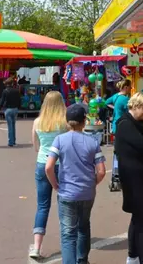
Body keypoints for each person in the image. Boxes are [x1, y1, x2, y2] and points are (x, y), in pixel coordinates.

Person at [45, 104, 106, 264]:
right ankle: (82, 260)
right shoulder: (92, 142)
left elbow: (48, 166)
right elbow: (101, 171)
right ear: (84, 121)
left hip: (67, 192)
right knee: (84, 227)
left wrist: (55, 184)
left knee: (68, 233)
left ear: (67, 122)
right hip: (87, 192)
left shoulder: (59, 140)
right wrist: (93, 183)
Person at [115, 93, 143, 264]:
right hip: (135, 181)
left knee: (139, 219)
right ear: (134, 106)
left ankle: (133, 256)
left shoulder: (137, 124)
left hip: (140, 179)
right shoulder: (126, 125)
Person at [30, 91, 67, 259]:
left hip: (42, 163)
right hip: (62, 165)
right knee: (65, 205)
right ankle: (67, 243)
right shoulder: (64, 123)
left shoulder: (38, 122)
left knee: (43, 206)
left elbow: (35, 145)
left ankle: (36, 247)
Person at [0, 78, 21, 147]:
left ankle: (10, 142)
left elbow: (2, 101)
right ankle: (14, 141)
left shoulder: (5, 91)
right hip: (15, 109)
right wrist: (18, 107)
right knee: (13, 126)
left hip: (8, 109)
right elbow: (19, 100)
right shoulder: (16, 91)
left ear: (6, 84)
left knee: (10, 126)